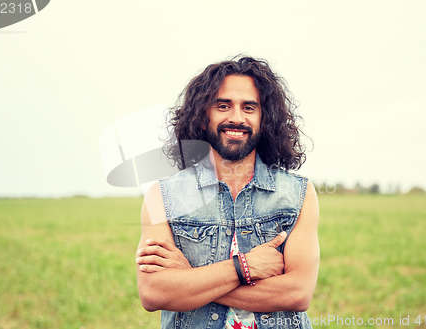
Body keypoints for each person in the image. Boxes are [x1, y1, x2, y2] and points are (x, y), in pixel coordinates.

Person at [136, 56, 319, 329]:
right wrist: (244, 267)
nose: (236, 118)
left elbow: (297, 293)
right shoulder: (162, 197)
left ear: (263, 119)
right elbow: (154, 292)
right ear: (202, 117)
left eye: (249, 107)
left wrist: (190, 278)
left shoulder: (298, 195)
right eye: (223, 106)